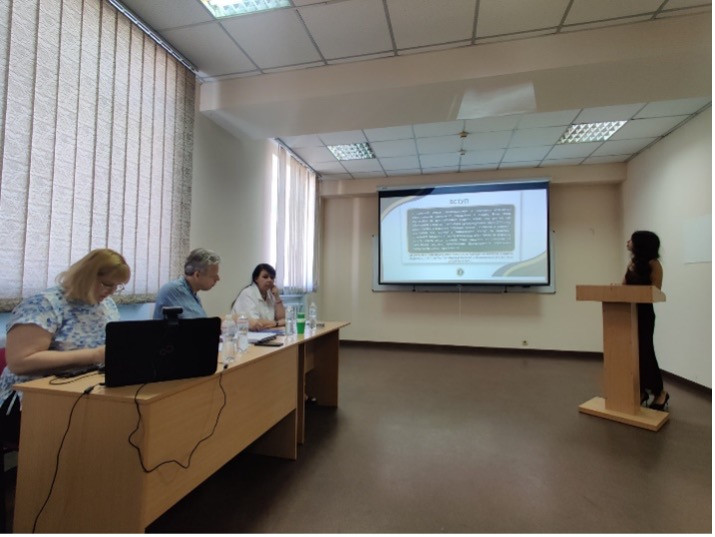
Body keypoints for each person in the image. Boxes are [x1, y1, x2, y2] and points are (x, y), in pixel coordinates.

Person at [0, 248, 131, 444]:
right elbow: (20, 362)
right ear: (86, 276)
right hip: (31, 401)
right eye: (107, 284)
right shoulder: (44, 304)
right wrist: (94, 355)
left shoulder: (106, 305)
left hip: (84, 391)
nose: (111, 292)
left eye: (117, 287)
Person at [623, 230, 668, 410]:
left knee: (646, 352)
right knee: (633, 354)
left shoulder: (654, 264)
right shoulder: (632, 263)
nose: (627, 242)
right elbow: (623, 286)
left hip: (644, 314)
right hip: (629, 312)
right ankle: (641, 391)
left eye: (631, 240)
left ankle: (660, 392)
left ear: (640, 244)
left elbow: (655, 291)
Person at [153, 248, 221, 319]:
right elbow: (198, 323)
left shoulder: (193, 294)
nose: (218, 279)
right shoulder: (172, 290)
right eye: (213, 276)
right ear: (197, 275)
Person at [231, 263, 286, 331]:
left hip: (264, 332)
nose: (269, 280)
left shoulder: (270, 294)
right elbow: (255, 323)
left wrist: (277, 297)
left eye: (272, 277)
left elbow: (282, 319)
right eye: (265, 277)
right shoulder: (248, 293)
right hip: (243, 334)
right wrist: (277, 323)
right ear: (256, 279)